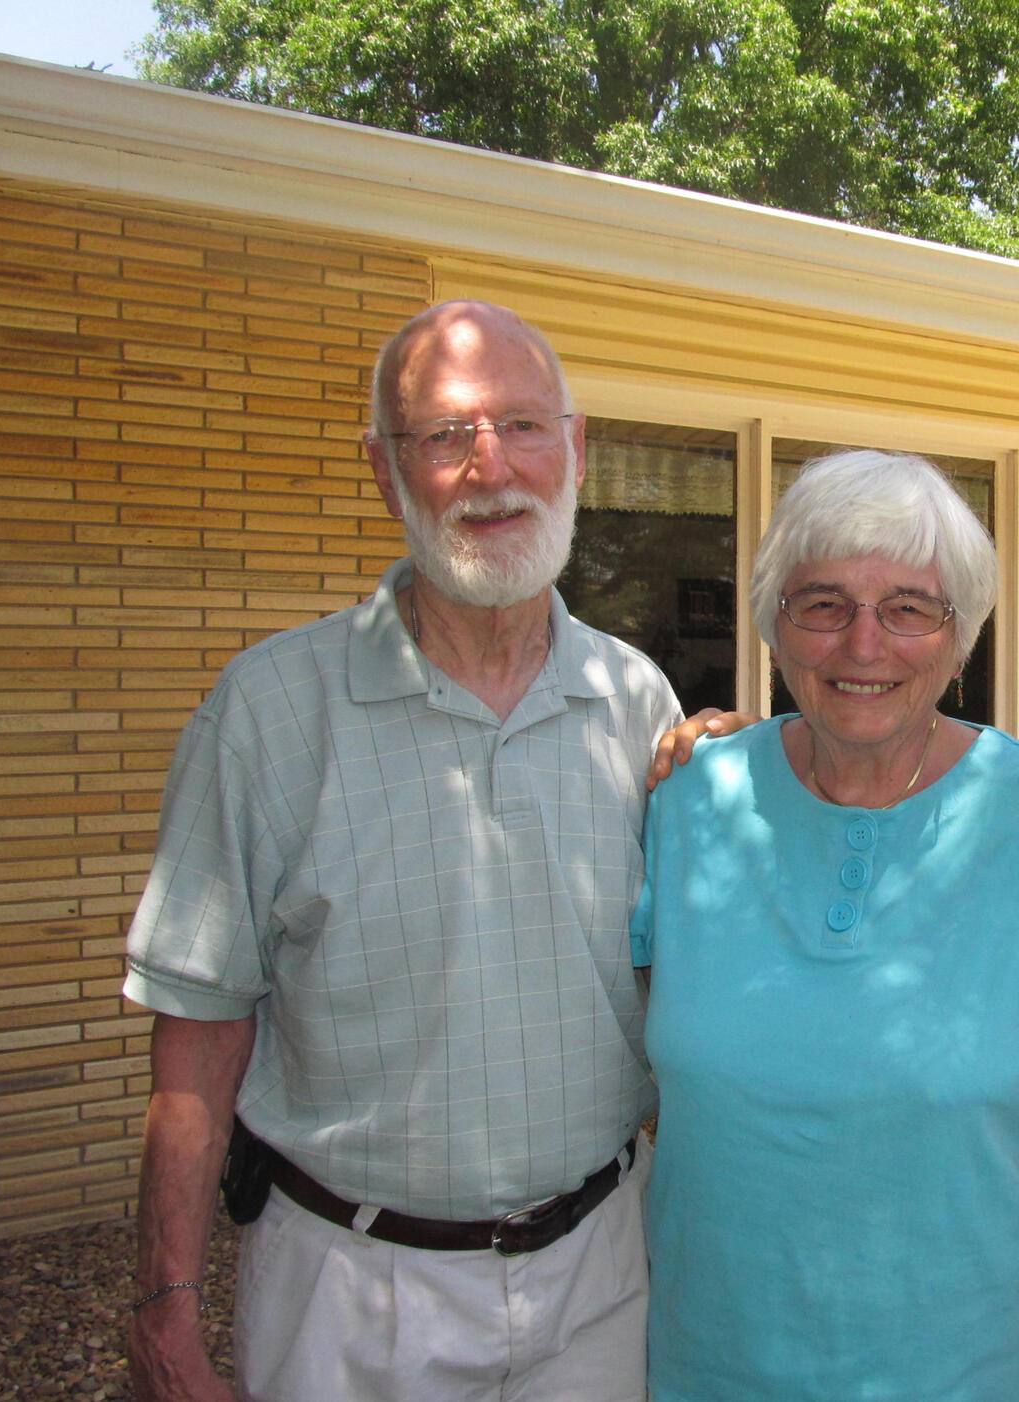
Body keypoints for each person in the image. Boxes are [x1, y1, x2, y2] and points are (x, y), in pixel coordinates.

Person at [123, 301, 682, 1402]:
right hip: (350, 1292)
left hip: (601, 1277)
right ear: (386, 473)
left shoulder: (633, 697)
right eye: (444, 435)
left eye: (523, 426)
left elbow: (671, 973)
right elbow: (198, 1031)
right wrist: (164, 1303)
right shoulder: (270, 712)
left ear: (575, 452)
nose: (490, 469)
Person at [632, 450, 1019, 1402]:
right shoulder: (693, 799)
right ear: (774, 623)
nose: (863, 645)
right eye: (822, 604)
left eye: (908, 607)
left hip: (985, 1370)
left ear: (961, 634)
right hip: (715, 1365)